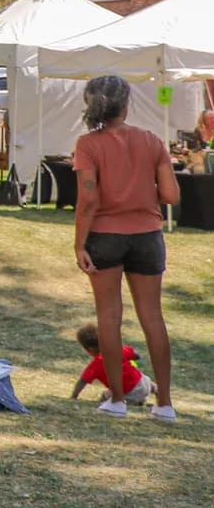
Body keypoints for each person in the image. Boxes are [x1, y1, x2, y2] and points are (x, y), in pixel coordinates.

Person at [73, 75, 180, 421]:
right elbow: (171, 195)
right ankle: (164, 403)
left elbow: (88, 199)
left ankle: (117, 399)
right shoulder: (151, 140)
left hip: (104, 235)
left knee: (109, 317)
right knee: (153, 317)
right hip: (148, 235)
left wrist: (79, 244)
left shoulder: (88, 144)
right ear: (127, 103)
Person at [71, 322, 156, 406]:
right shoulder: (120, 350)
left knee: (105, 396)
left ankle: (136, 402)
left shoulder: (95, 365)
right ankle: (158, 395)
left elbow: (82, 381)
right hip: (144, 386)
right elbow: (137, 355)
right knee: (143, 378)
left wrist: (74, 396)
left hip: (127, 394)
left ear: (89, 350)